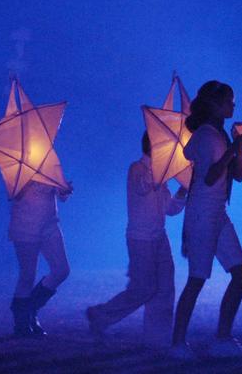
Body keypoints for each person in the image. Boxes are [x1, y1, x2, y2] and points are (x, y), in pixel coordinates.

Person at [170, 80, 242, 359]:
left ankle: (223, 337)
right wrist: (234, 147)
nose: (233, 105)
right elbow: (209, 176)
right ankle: (177, 343)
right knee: (197, 278)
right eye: (229, 100)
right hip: (203, 214)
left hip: (217, 213)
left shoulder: (221, 135)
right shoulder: (206, 136)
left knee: (241, 273)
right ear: (215, 105)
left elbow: (237, 175)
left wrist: (239, 146)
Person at [86, 132, 187, 348]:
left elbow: (169, 209)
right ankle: (101, 315)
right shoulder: (137, 169)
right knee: (143, 289)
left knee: (165, 288)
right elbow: (143, 186)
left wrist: (182, 191)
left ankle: (156, 337)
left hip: (159, 237)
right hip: (140, 239)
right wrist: (162, 172)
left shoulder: (161, 174)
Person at [9, 179, 72, 337]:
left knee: (61, 270)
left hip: (50, 225)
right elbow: (13, 194)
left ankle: (31, 308)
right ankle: (22, 323)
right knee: (27, 275)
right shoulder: (17, 168)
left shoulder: (49, 164)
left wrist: (63, 190)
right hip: (25, 225)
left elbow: (62, 195)